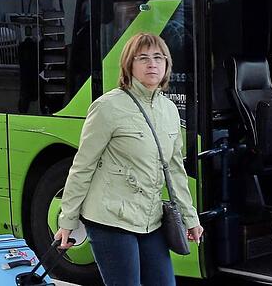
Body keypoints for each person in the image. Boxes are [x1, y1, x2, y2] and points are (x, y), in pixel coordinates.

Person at [55, 32, 203, 286]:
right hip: (110, 218)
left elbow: (175, 169)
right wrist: (67, 221)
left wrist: (190, 217)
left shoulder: (168, 109)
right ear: (129, 65)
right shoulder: (108, 107)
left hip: (151, 219)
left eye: (159, 57)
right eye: (143, 58)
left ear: (167, 64)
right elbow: (82, 167)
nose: (152, 64)